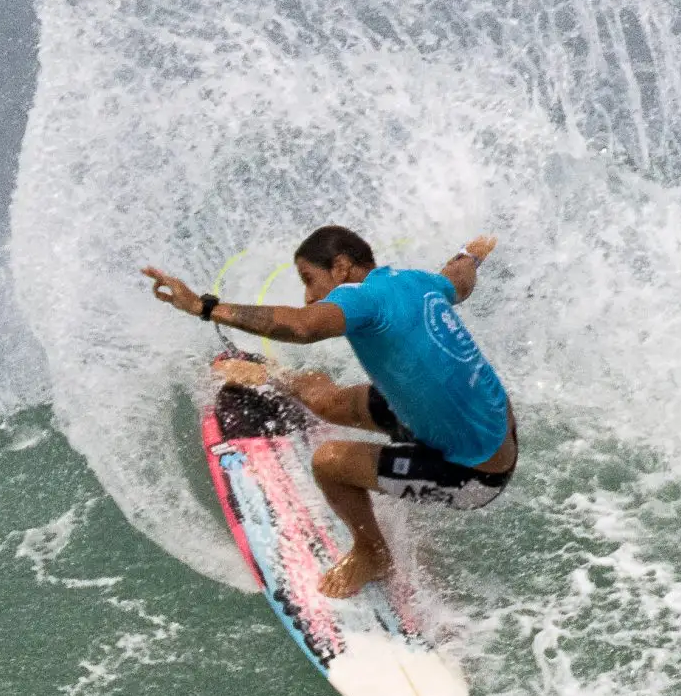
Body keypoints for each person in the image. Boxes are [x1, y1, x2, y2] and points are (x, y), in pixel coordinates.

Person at [143, 225, 517, 597]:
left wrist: (202, 306)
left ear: (341, 267)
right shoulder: (415, 281)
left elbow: (303, 327)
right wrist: (472, 254)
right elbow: (459, 280)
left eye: (309, 279)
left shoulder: (361, 298)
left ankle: (373, 554)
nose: (308, 296)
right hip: (468, 419)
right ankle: (271, 376)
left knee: (330, 463)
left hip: (476, 470)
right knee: (328, 403)